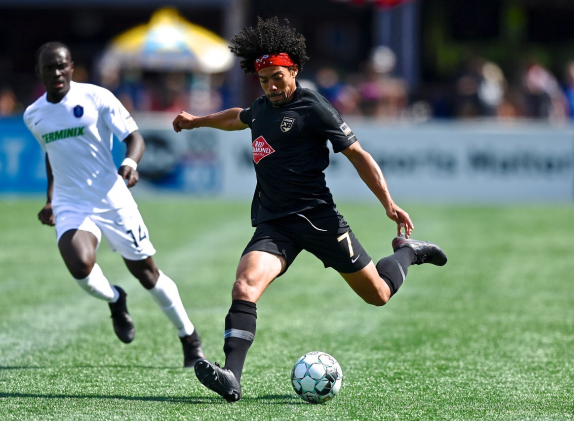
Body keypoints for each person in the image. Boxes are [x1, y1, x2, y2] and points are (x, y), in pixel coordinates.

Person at [171, 17, 447, 402]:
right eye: (264, 79)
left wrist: (389, 203)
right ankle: (231, 377)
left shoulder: (314, 106)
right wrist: (197, 121)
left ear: (294, 70)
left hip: (319, 220)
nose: (271, 85)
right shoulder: (262, 106)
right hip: (275, 224)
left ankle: (407, 252)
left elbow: (358, 155)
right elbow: (238, 117)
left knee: (379, 295)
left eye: (277, 77)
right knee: (244, 285)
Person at [23, 42, 205, 368]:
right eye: (49, 67)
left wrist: (131, 164)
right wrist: (50, 199)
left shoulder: (97, 97)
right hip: (70, 202)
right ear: (39, 73)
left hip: (111, 198)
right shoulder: (33, 115)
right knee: (80, 266)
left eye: (62, 65)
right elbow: (52, 154)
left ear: (72, 66)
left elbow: (135, 139)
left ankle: (189, 337)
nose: (57, 72)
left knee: (147, 275)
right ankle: (115, 298)